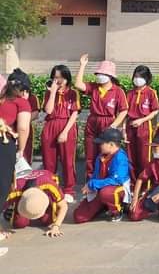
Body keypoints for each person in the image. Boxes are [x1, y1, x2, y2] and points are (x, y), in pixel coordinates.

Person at [75, 54, 129, 179]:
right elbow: (78, 84)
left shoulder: (118, 91)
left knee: (106, 153)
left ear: (110, 76)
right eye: (99, 73)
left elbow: (124, 111)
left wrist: (114, 125)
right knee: (90, 154)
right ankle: (90, 181)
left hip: (108, 122)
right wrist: (82, 65)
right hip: (93, 121)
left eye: (103, 73)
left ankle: (104, 181)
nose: (100, 76)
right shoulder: (94, 87)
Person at [0, 70, 33, 244]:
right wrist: (20, 149)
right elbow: (23, 128)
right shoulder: (21, 102)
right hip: (4, 143)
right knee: (2, 186)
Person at [73, 128, 131, 223]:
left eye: (102, 143)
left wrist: (93, 184)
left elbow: (117, 180)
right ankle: (104, 207)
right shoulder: (100, 157)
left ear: (111, 144)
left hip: (117, 189)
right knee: (79, 217)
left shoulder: (120, 157)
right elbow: (95, 176)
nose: (99, 145)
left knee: (106, 193)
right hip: (100, 189)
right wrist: (89, 188)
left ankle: (117, 210)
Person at [41, 64, 80, 202]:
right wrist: (53, 92)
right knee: (49, 161)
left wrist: (65, 132)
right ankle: (49, 188)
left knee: (67, 160)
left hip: (67, 125)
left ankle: (69, 190)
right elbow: (48, 110)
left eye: (61, 77)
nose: (59, 80)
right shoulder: (48, 93)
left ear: (67, 78)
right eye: (56, 77)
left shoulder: (73, 93)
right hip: (50, 125)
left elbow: (74, 114)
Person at [4, 168, 67, 237]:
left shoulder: (50, 185)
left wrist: (56, 226)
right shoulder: (14, 189)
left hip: (46, 188)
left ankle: (47, 208)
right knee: (19, 224)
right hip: (22, 192)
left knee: (48, 220)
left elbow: (63, 206)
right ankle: (13, 208)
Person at [125, 65, 159, 182]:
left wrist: (142, 120)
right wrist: (123, 129)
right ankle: (133, 183)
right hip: (130, 125)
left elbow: (155, 111)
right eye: (136, 76)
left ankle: (145, 183)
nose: (137, 79)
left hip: (144, 125)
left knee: (144, 156)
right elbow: (125, 112)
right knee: (130, 155)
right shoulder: (130, 93)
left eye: (140, 77)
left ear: (146, 78)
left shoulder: (151, 92)